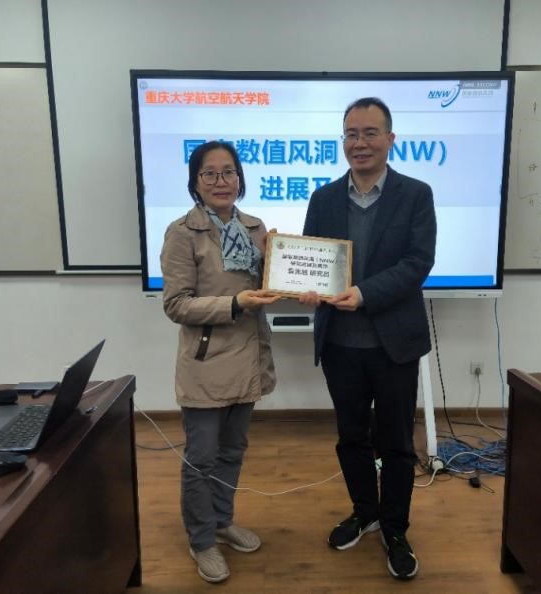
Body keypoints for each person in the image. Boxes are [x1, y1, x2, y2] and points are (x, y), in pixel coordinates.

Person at [299, 97, 436, 580]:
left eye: (370, 133)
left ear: (390, 139)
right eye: (352, 134)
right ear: (344, 140)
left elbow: (417, 263)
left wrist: (363, 294)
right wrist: (305, 287)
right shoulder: (323, 198)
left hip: (393, 344)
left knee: (397, 442)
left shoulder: (415, 194)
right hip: (340, 345)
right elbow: (312, 259)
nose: (360, 143)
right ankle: (365, 512)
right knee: (351, 436)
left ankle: (395, 528)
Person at [160, 140, 280, 583]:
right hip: (206, 362)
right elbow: (176, 304)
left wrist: (287, 268)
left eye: (229, 171)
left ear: (240, 178)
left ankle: (222, 521)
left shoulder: (255, 228)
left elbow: (269, 283)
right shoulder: (181, 232)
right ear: (195, 182)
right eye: (209, 173)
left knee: (232, 451)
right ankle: (201, 539)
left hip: (248, 358)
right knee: (201, 458)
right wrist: (234, 303)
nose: (221, 181)